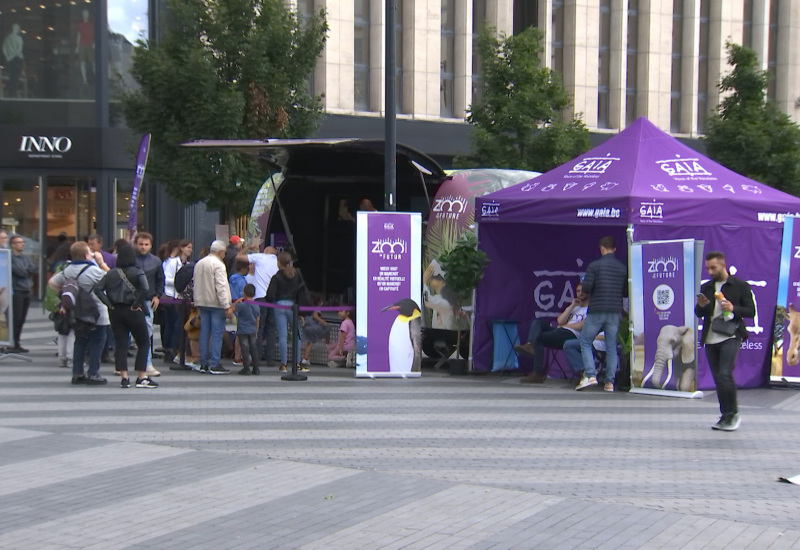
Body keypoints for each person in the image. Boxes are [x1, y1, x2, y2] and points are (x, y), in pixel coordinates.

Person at [695, 251, 755, 431]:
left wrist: (733, 308)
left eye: (713, 267)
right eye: (707, 268)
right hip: (711, 336)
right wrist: (701, 306)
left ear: (723, 265)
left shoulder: (740, 286)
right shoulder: (707, 287)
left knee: (724, 374)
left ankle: (732, 414)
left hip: (731, 335)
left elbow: (750, 311)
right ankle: (725, 415)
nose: (710, 271)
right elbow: (699, 314)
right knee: (718, 378)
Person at [93, 244, 158, 389]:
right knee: (143, 342)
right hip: (133, 310)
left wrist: (109, 304)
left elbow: (97, 289)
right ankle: (141, 377)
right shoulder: (137, 272)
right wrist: (137, 303)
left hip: (115, 311)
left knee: (121, 344)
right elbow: (145, 289)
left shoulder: (111, 273)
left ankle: (124, 377)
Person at [48, 241, 109, 385]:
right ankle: (93, 373)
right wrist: (101, 262)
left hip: (77, 312)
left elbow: (52, 282)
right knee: (97, 342)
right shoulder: (94, 271)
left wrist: (64, 295)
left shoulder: (67, 269)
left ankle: (77, 373)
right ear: (86, 255)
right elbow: (112, 278)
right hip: (96, 311)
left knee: (80, 341)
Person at [576, 236, 628, 392]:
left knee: (585, 341)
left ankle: (591, 375)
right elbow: (625, 291)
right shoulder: (622, 267)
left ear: (602, 248)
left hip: (597, 309)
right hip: (614, 311)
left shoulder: (595, 266)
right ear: (615, 249)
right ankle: (609, 383)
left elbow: (586, 287)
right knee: (611, 346)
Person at [515, 282, 588, 384]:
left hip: (572, 335)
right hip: (559, 332)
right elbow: (560, 321)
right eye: (578, 291)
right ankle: (530, 345)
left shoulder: (591, 309)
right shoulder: (575, 308)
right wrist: (572, 306)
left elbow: (580, 326)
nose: (580, 293)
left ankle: (537, 372)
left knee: (538, 337)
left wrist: (564, 326)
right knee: (537, 322)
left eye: (583, 291)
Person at [193, 240, 234, 374]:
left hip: (202, 302)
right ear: (220, 251)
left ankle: (203, 363)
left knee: (204, 332)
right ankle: (214, 363)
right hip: (216, 303)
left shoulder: (200, 263)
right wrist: (226, 305)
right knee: (216, 333)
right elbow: (221, 286)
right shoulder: (219, 265)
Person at [265, 251, 306, 372]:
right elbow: (301, 291)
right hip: (293, 305)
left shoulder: (276, 277)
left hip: (279, 305)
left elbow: (270, 295)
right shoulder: (296, 274)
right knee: (297, 335)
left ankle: (283, 364)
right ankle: (297, 362)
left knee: (282, 336)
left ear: (279, 263)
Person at [134, 232, 165, 377]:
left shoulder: (156, 261)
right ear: (136, 244)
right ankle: (121, 365)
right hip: (131, 300)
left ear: (151, 245)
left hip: (147, 299)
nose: (143, 247)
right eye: (141, 244)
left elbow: (160, 280)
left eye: (146, 244)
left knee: (147, 332)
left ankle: (147, 363)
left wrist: (157, 296)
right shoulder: (131, 260)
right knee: (126, 334)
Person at [162, 238, 192, 364]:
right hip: (171, 297)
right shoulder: (173, 262)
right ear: (182, 248)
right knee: (173, 324)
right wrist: (178, 281)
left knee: (178, 325)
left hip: (181, 298)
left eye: (191, 247)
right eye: (188, 247)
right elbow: (166, 278)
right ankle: (170, 349)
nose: (190, 250)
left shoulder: (187, 264)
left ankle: (175, 349)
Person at [9, 234, 36, 353]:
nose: (22, 244)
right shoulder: (9, 257)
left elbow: (33, 269)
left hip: (26, 289)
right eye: (19, 242)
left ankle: (17, 342)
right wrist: (27, 271)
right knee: (16, 317)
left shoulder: (25, 258)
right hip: (16, 290)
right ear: (13, 245)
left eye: (22, 242)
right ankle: (12, 342)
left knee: (22, 318)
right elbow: (19, 271)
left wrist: (27, 271)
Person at [235, 284, 261, 375]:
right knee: (254, 348)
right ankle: (256, 368)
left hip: (242, 329)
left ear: (244, 293)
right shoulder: (256, 306)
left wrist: (237, 302)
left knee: (245, 349)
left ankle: (246, 368)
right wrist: (256, 329)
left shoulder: (241, 305)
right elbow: (258, 318)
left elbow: (233, 310)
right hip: (253, 329)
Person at [423, 264, 458, 329]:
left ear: (443, 283)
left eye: (435, 278)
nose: (431, 279)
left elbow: (427, 301)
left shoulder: (446, 302)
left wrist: (425, 282)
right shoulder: (438, 297)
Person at [299, 293, 328, 366]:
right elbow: (315, 316)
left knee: (308, 343)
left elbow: (301, 316)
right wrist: (323, 322)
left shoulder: (308, 308)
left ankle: (305, 358)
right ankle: (305, 359)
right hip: (313, 327)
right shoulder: (317, 308)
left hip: (306, 327)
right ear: (318, 302)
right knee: (326, 329)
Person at [3, 23, 24, 98]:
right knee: (16, 77)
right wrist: (13, 55)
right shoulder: (18, 38)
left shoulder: (7, 38)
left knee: (11, 77)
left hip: (10, 60)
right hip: (17, 59)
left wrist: (7, 57)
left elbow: (4, 49)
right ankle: (14, 94)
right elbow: (19, 49)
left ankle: (11, 93)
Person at [75, 9, 94, 84]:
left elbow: (93, 34)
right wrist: (77, 47)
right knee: (82, 62)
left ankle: (92, 76)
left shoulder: (91, 24)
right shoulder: (80, 25)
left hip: (90, 44)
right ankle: (84, 79)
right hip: (82, 45)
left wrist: (94, 43)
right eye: (84, 14)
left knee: (92, 62)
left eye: (87, 14)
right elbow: (78, 35)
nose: (85, 15)